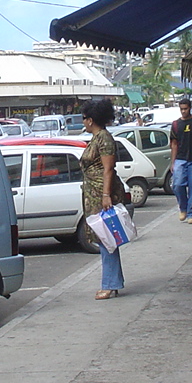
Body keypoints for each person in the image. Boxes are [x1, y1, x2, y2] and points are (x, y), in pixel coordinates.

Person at [80, 98, 128, 300]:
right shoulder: (96, 138)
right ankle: (112, 282)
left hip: (102, 194)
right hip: (94, 193)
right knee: (105, 239)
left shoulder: (104, 139)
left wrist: (106, 195)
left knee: (105, 238)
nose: (83, 122)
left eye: (84, 118)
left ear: (91, 120)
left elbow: (108, 168)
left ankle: (109, 284)